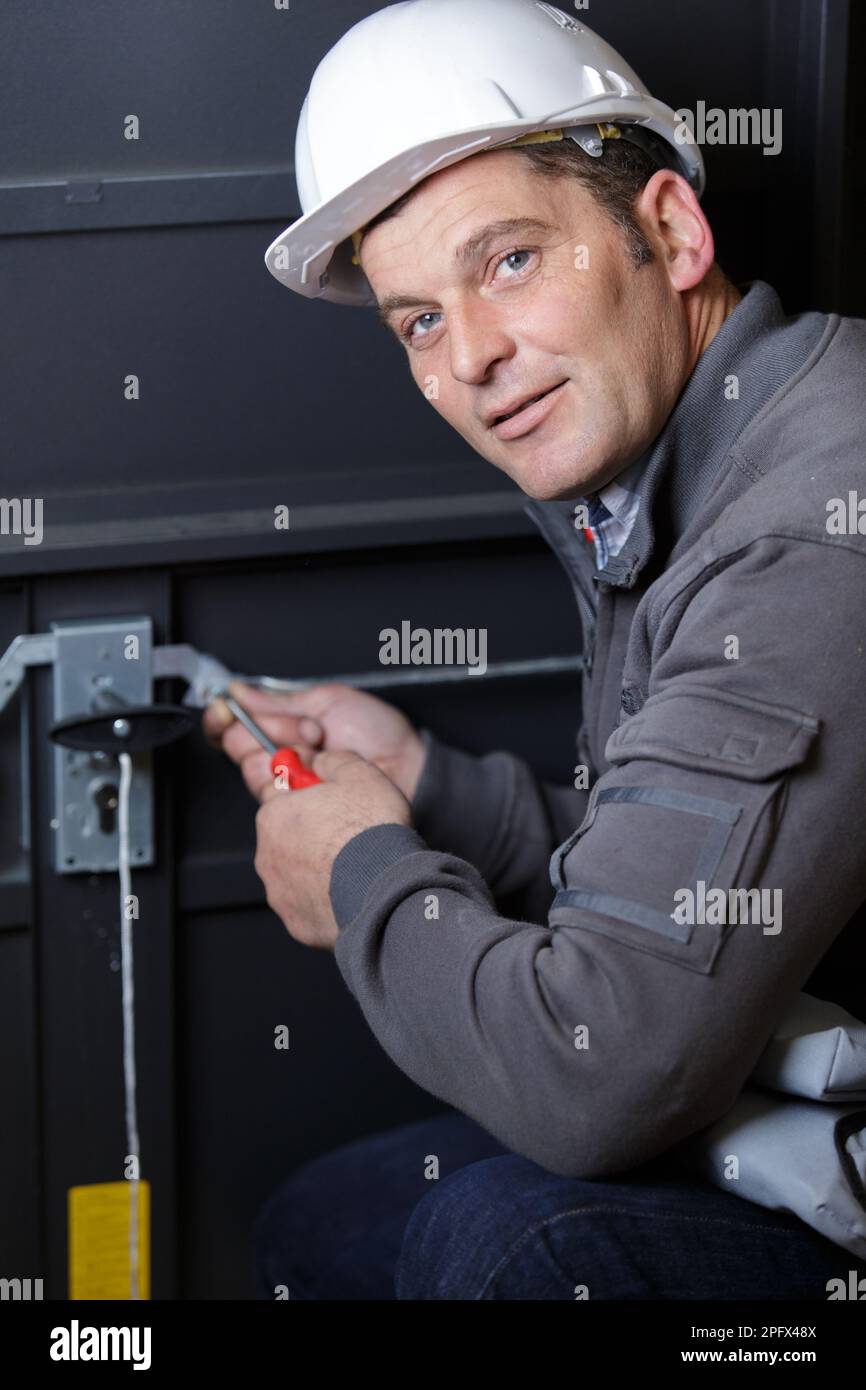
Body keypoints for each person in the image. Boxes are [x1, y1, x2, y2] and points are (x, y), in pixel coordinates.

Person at [204, 0, 866, 1299]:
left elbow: (591, 1075)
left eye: (507, 261)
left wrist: (360, 867)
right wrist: (427, 788)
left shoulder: (810, 527)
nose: (475, 359)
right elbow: (702, 870)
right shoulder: (674, 464)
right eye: (416, 322)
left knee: (506, 1246)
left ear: (668, 233)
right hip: (794, 1095)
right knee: (324, 1223)